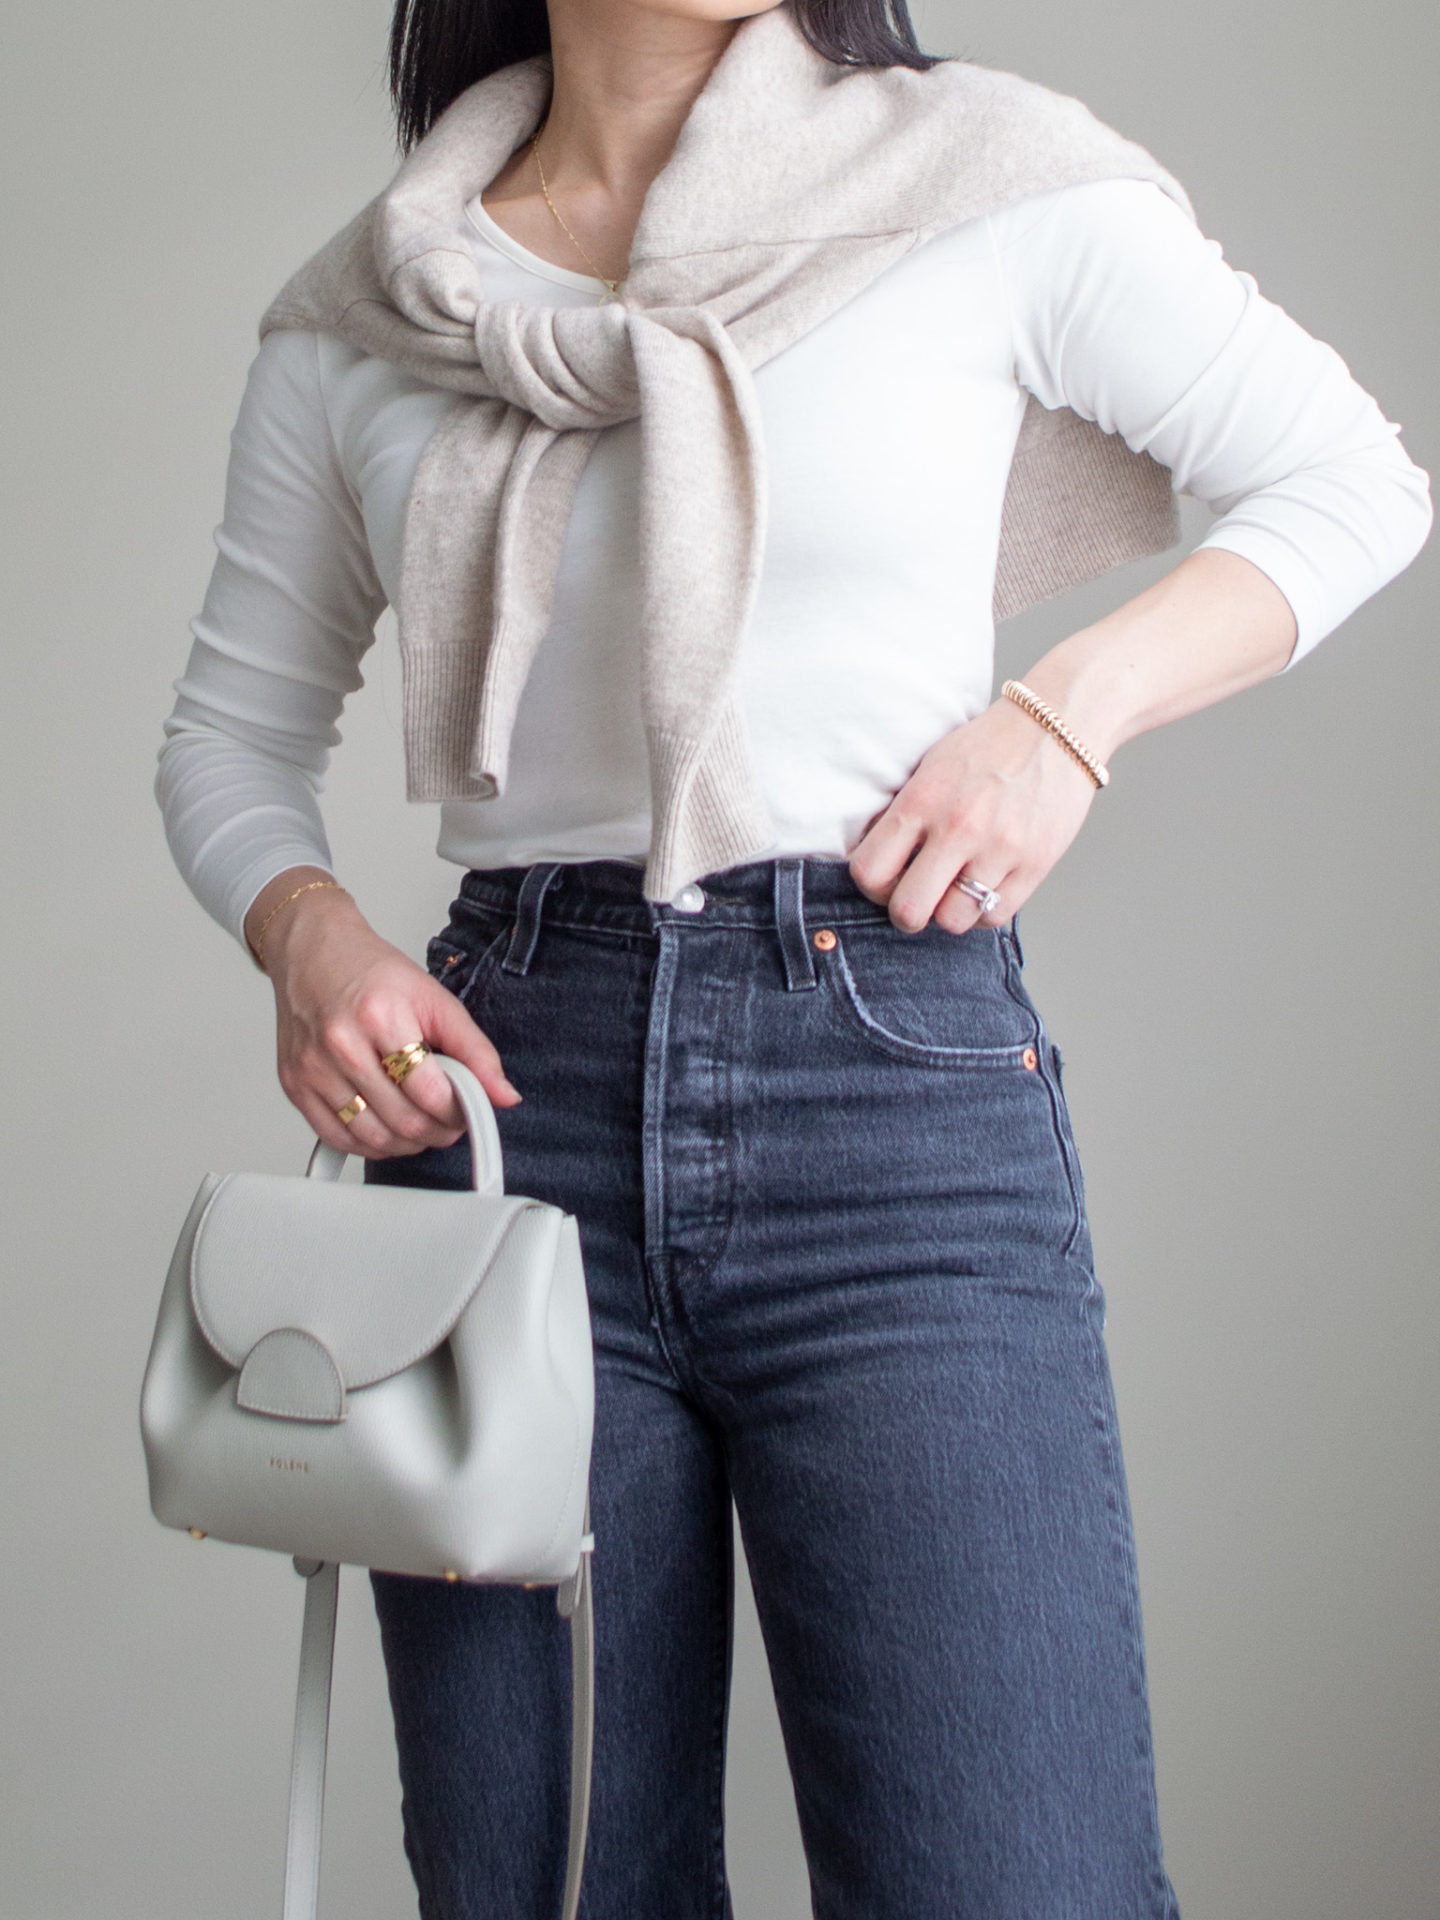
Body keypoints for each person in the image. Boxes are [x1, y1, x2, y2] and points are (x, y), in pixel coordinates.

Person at [155, 0, 1432, 1912]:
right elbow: (229, 740)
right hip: (506, 1122)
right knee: (550, 1885)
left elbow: (1355, 479)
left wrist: (1062, 717)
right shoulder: (368, 312)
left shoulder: (974, 181)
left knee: (1012, 1878)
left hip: (889, 1092)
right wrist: (312, 936)